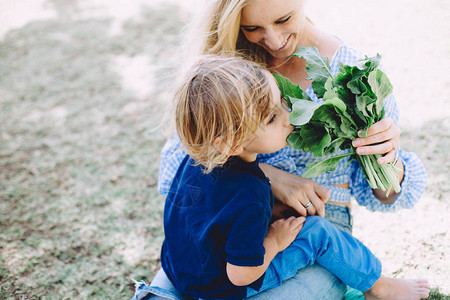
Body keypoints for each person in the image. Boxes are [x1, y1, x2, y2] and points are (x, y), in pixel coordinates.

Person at [131, 56, 429, 300]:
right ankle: (379, 287)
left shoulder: (193, 159)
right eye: (272, 117)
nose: (289, 116)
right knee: (318, 234)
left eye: (282, 102)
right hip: (224, 287)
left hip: (182, 272)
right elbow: (241, 274)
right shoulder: (252, 193)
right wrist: (273, 241)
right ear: (233, 143)